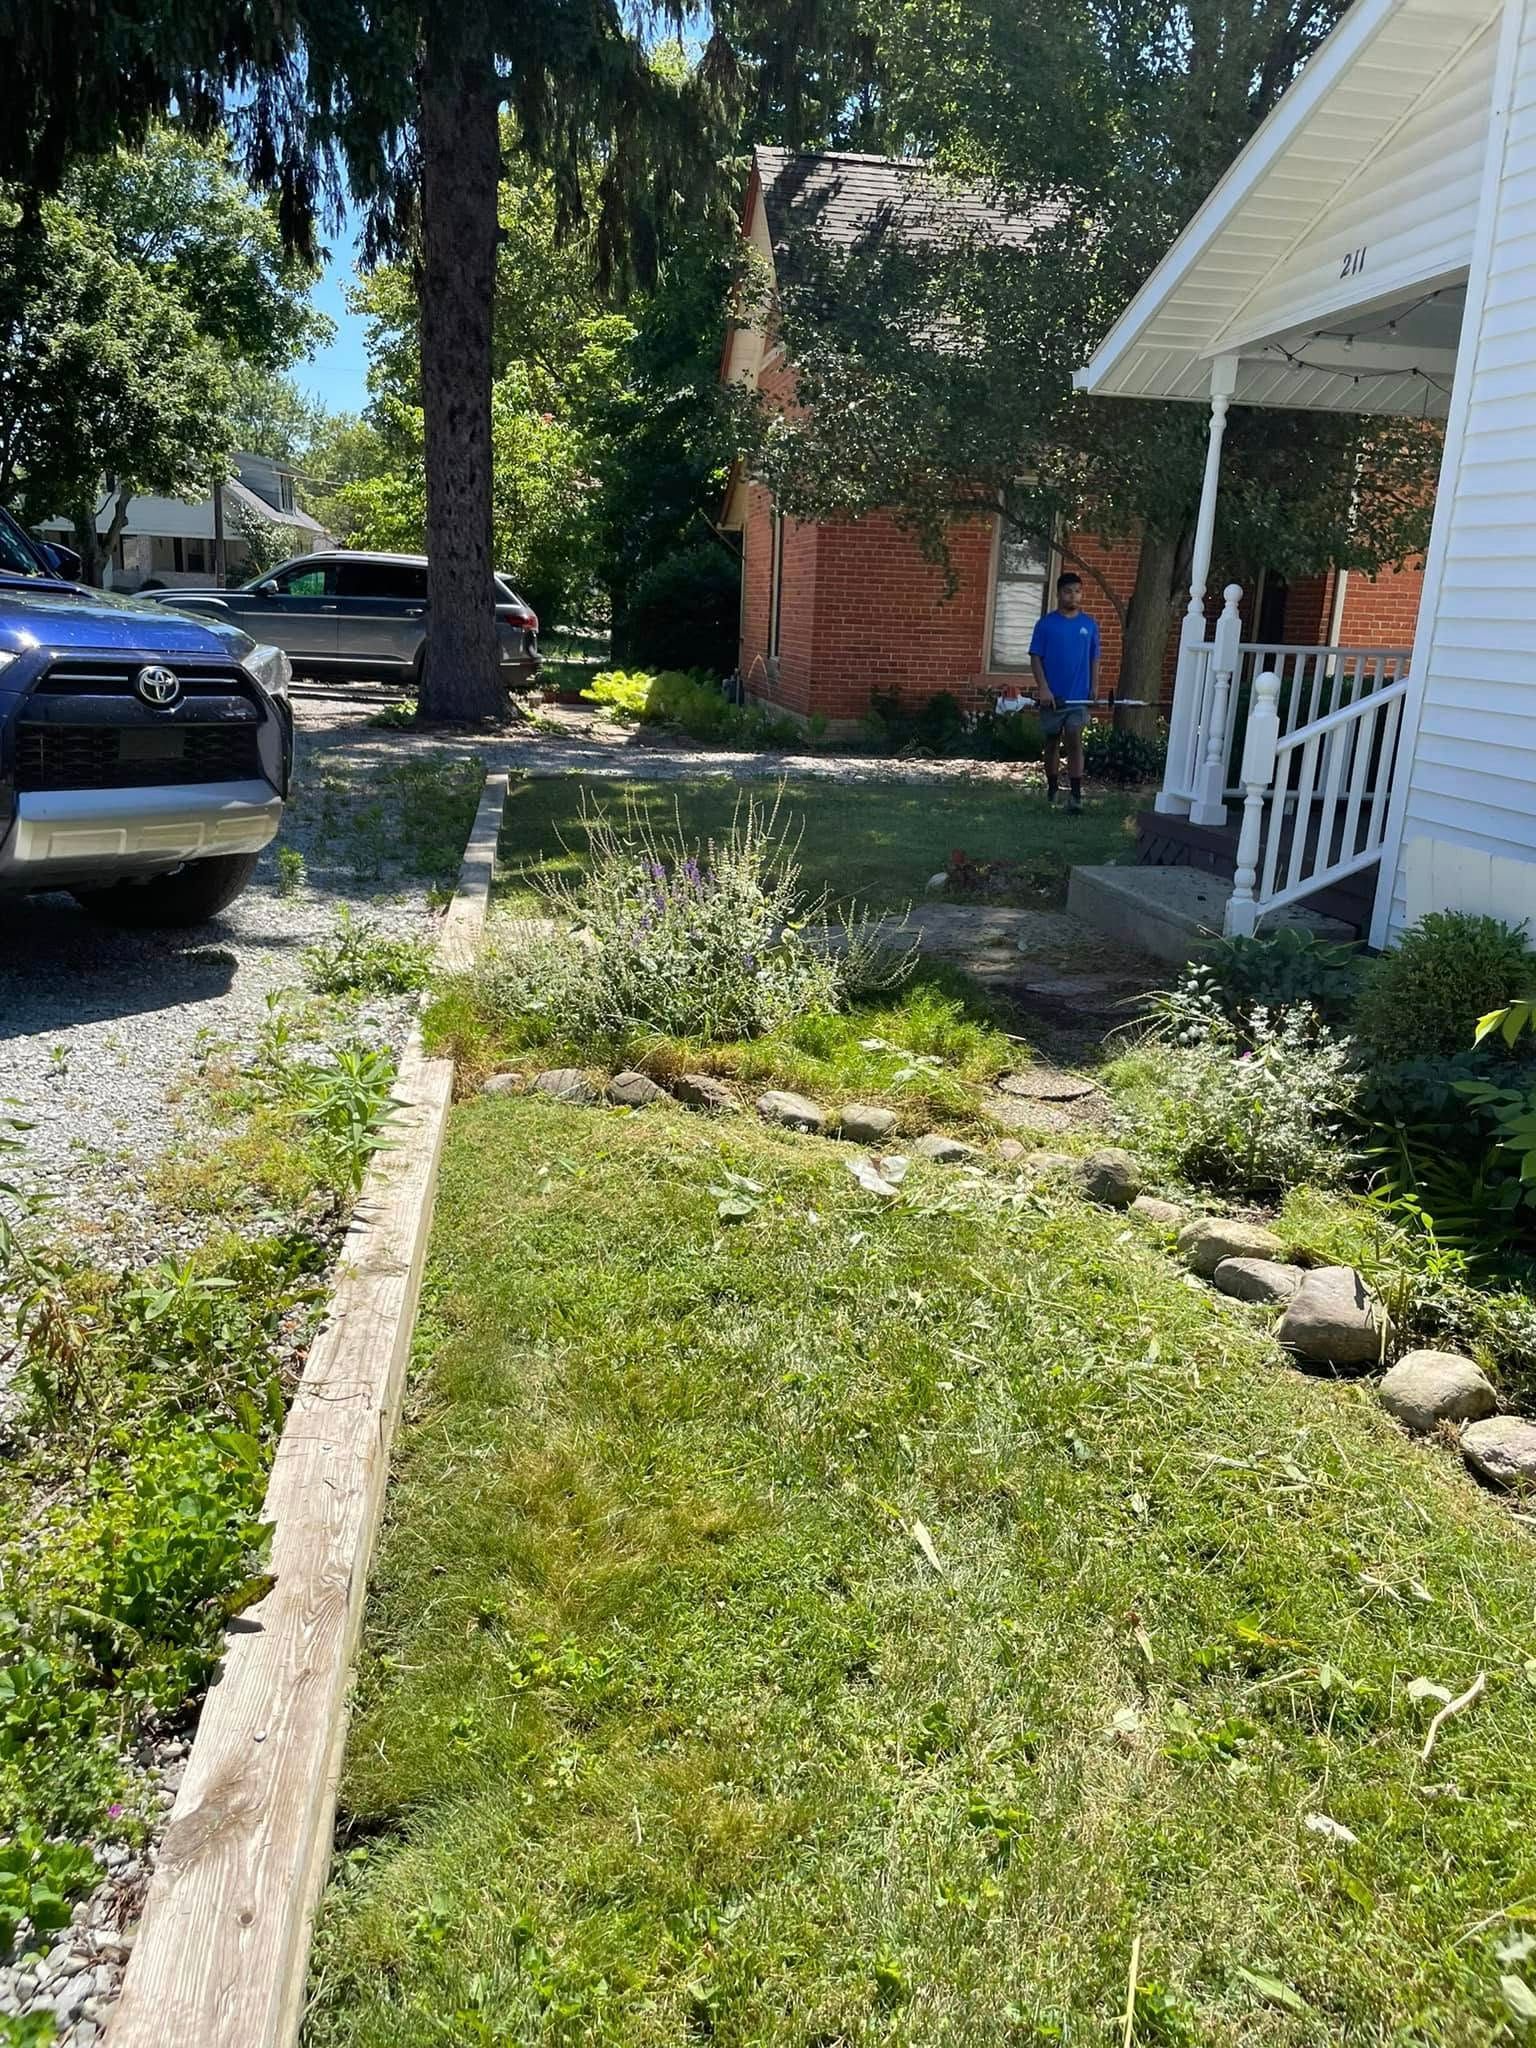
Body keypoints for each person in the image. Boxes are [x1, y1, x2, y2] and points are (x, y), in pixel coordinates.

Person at [1029, 572, 1101, 812]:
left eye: (1078, 591)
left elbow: (1094, 658)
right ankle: (1052, 788)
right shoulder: (1046, 624)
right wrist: (1044, 688)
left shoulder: (1089, 625)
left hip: (1078, 696)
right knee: (1052, 741)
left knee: (1073, 735)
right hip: (1053, 697)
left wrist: (1094, 686)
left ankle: (1077, 795)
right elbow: (1036, 658)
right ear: (1059, 594)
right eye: (1069, 591)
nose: (1074, 596)